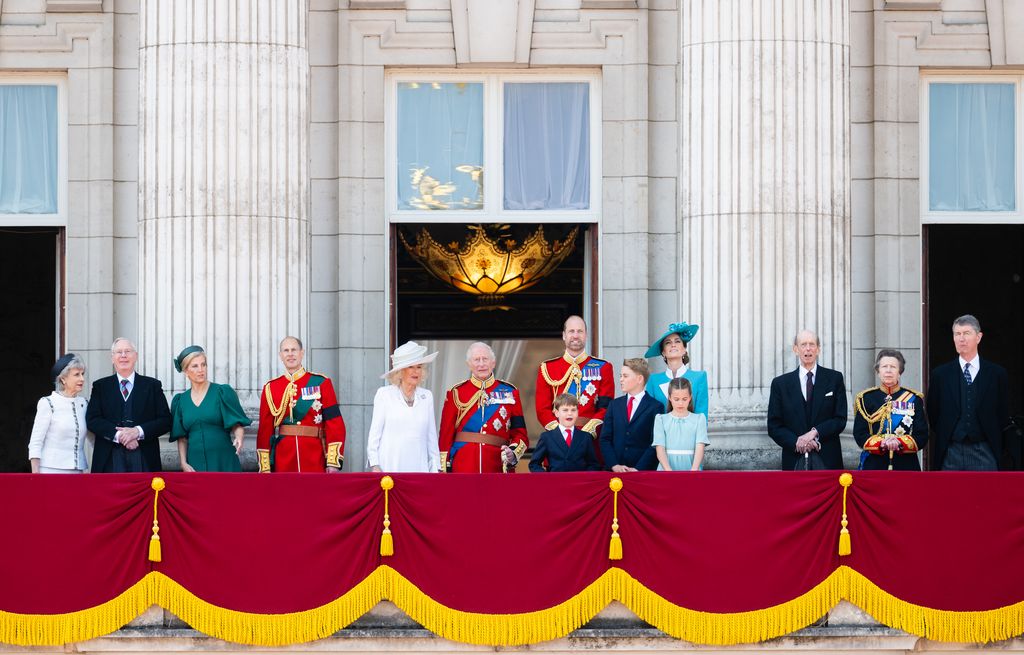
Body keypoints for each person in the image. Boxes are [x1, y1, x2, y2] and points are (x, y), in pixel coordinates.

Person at [927, 315, 1011, 471]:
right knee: (950, 494)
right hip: (950, 450)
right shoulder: (940, 374)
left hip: (985, 449)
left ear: (978, 337)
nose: (961, 339)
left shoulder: (997, 374)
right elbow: (933, 412)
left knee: (986, 494)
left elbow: (1003, 413)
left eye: (966, 333)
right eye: (957, 334)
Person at [256, 337, 347, 473]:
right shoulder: (271, 388)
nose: (290, 354)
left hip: (314, 455)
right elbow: (265, 430)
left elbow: (334, 423)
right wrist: (265, 466)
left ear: (302, 353)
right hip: (284, 457)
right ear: (281, 355)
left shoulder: (321, 382)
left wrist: (332, 461)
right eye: (286, 351)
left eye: (294, 350)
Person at [439, 342, 528, 473]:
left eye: (485, 359)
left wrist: (512, 453)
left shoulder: (510, 392)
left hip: (497, 465)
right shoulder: (456, 393)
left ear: (493, 363)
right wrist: (444, 467)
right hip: (463, 465)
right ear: (469, 364)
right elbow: (445, 435)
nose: (481, 364)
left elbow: (520, 434)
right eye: (476, 360)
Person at [766, 330, 848, 470]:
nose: (808, 348)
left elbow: (840, 419)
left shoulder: (834, 379)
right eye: (803, 344)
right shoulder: (780, 384)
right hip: (794, 459)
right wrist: (798, 442)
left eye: (812, 344)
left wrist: (815, 433)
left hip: (828, 458)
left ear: (818, 349)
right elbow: (774, 426)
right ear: (795, 349)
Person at [86, 338, 172, 473]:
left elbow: (165, 421)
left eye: (128, 351)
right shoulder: (100, 386)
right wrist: (120, 435)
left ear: (136, 356)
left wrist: (138, 432)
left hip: (144, 457)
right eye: (118, 352)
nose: (123, 356)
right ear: (112, 358)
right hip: (109, 458)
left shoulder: (152, 385)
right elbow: (92, 420)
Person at [535, 316, 614, 453]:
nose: (576, 336)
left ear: (586, 335)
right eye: (571, 331)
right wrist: (559, 434)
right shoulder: (547, 368)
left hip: (590, 444)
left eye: (580, 331)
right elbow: (542, 409)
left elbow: (605, 408)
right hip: (557, 445)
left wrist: (586, 434)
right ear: (564, 336)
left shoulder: (603, 367)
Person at [169, 346, 251, 472]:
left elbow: (237, 424)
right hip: (194, 464)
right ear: (185, 371)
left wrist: (239, 437)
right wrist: (183, 463)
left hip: (223, 460)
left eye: (203, 365)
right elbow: (182, 438)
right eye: (195, 366)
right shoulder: (180, 401)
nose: (201, 370)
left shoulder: (222, 392)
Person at [366, 341, 440, 473]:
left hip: (419, 468)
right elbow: (375, 434)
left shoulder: (426, 396)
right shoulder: (384, 394)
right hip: (389, 467)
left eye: (419, 367)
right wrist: (374, 464)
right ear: (400, 371)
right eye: (411, 367)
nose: (416, 371)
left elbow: (431, 436)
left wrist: (436, 467)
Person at [853, 349, 927, 471]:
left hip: (906, 465)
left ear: (900, 372)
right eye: (884, 366)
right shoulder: (865, 398)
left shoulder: (914, 399)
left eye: (893, 367)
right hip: (874, 465)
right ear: (878, 371)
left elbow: (922, 435)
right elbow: (860, 434)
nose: (888, 370)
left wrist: (899, 442)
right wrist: (881, 443)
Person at [28, 354, 90, 474]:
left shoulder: (84, 404)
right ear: (63, 379)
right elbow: (36, 442)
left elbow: (93, 439)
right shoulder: (48, 403)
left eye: (82, 374)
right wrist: (35, 476)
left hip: (77, 471)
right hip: (50, 471)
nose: (82, 379)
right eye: (77, 375)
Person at [599, 358, 661, 472]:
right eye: (620, 375)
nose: (621, 379)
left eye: (625, 376)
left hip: (643, 472)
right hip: (614, 472)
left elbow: (655, 443)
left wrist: (639, 468)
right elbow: (605, 439)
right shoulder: (614, 405)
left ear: (639, 379)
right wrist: (614, 465)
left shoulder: (655, 407)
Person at [644, 322, 709, 418]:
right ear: (663, 352)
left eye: (677, 341)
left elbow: (702, 416)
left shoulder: (699, 377)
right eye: (668, 342)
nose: (673, 345)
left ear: (684, 350)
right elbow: (649, 416)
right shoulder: (653, 380)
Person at [529, 393, 601, 472]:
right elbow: (534, 464)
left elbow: (593, 464)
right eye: (565, 410)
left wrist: (584, 478)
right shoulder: (547, 437)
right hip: (556, 482)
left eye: (573, 410)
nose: (569, 413)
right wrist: (547, 478)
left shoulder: (585, 437)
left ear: (577, 413)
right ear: (556, 413)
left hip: (578, 482)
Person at [653, 377, 709, 471]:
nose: (680, 403)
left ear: (690, 397)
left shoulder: (699, 419)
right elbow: (660, 449)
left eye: (684, 399)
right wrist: (668, 470)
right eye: (676, 399)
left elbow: (700, 447)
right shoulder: (661, 419)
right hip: (666, 470)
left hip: (692, 468)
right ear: (670, 397)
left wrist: (694, 470)